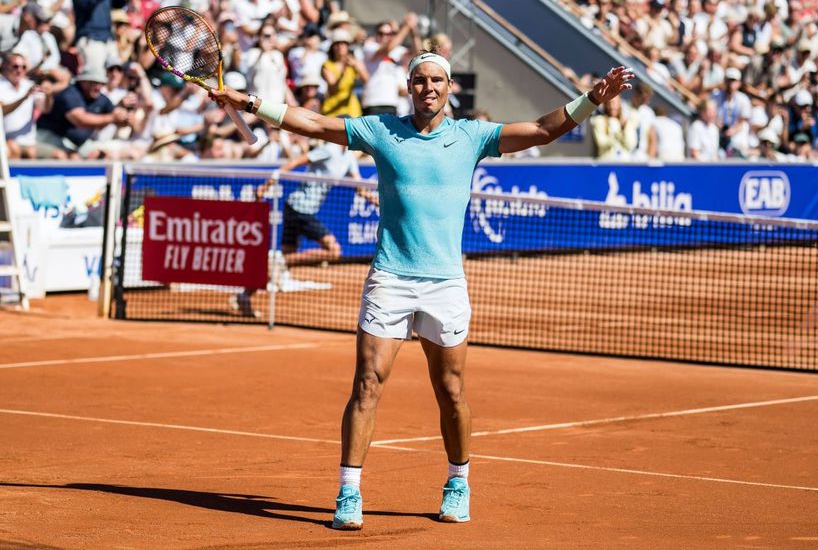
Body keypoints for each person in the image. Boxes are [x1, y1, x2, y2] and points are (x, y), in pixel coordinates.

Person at [210, 52, 634, 529]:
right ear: (408, 87)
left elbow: (540, 130)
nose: (428, 87)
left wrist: (593, 99)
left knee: (450, 391)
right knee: (367, 385)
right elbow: (311, 124)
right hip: (390, 278)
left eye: (436, 80)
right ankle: (348, 493)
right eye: (419, 80)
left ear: (449, 86)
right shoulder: (380, 130)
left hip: (445, 284)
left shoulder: (472, 136)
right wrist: (249, 101)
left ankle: (458, 481)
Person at [230, 136, 370, 318]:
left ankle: (244, 295)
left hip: (301, 209)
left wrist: (376, 201)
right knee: (333, 250)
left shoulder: (349, 157)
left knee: (282, 259)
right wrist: (269, 182)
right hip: (299, 208)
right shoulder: (328, 149)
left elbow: (358, 185)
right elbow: (297, 161)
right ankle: (280, 261)